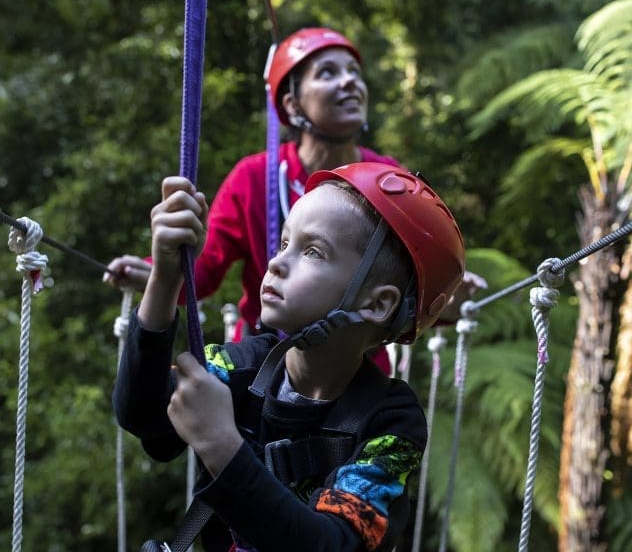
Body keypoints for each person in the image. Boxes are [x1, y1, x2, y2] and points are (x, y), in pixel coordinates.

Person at [113, 162, 466, 552]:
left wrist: (222, 443)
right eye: (284, 242)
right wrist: (165, 278)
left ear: (377, 303)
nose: (276, 263)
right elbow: (143, 417)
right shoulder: (242, 366)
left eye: (313, 251)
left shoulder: (391, 422)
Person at [103, 27, 484, 372]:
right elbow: (204, 270)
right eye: (328, 73)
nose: (350, 81)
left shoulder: (391, 181)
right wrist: (158, 271)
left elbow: (406, 284)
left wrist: (444, 299)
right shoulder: (255, 177)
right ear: (291, 105)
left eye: (354, 71)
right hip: (260, 364)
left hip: (354, 371)